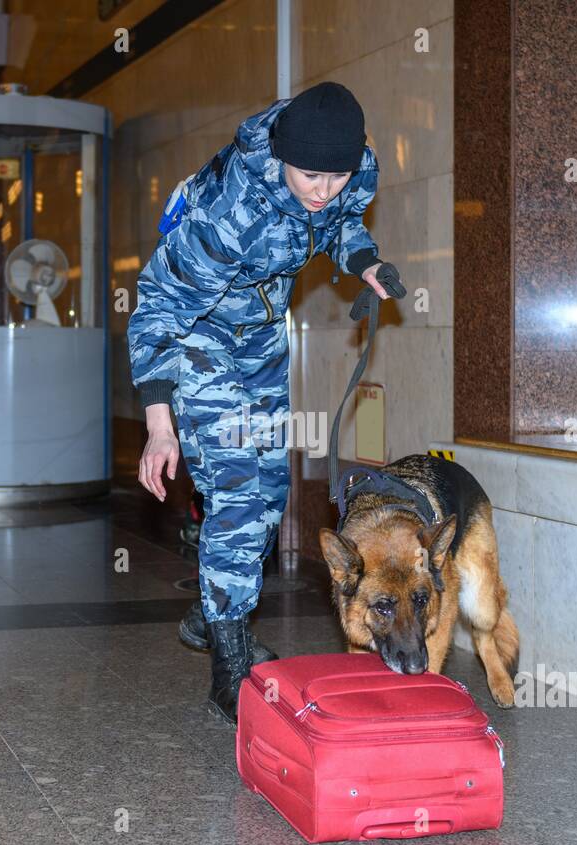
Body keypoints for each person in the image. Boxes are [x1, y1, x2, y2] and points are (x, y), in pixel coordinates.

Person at [128, 82, 397, 723]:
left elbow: (340, 221)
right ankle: (228, 665)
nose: (323, 188)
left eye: (336, 174)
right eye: (310, 176)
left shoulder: (349, 169)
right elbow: (156, 309)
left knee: (272, 488)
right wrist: (159, 428)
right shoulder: (229, 212)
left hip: (261, 339)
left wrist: (364, 262)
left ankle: (211, 612)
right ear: (280, 156)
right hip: (198, 339)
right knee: (241, 492)